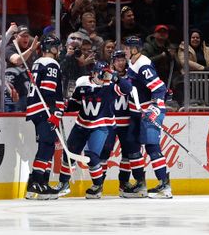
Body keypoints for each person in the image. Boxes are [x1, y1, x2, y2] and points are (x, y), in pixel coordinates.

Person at [54, 60, 132, 199]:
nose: (103, 77)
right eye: (101, 74)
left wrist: (116, 77)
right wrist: (60, 108)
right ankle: (63, 184)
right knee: (69, 155)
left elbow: (128, 89)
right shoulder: (82, 85)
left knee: (92, 156)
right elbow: (73, 105)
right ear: (94, 73)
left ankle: (97, 185)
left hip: (100, 126)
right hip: (81, 125)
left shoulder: (110, 87)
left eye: (105, 74)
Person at [123, 35, 172, 199]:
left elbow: (159, 88)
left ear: (135, 49)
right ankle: (140, 184)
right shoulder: (133, 62)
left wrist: (155, 108)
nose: (125, 50)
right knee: (132, 144)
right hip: (137, 112)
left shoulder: (143, 65)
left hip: (150, 111)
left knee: (152, 146)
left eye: (127, 48)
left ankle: (164, 185)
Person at [99, 49, 149, 198]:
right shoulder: (105, 76)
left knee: (129, 154)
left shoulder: (131, 77)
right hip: (110, 121)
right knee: (104, 153)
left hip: (127, 122)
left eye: (122, 59)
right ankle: (98, 183)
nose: (120, 62)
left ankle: (125, 183)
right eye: (117, 60)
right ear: (113, 62)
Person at [24, 34, 64, 200]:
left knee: (46, 145)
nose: (59, 49)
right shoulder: (51, 63)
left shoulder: (38, 62)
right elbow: (48, 91)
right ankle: (37, 183)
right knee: (46, 146)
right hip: (44, 109)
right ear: (51, 48)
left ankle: (39, 184)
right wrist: (55, 112)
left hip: (36, 109)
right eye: (57, 46)